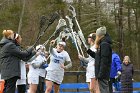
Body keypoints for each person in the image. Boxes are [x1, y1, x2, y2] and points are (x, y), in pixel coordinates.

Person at [95, 26, 112, 93]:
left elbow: (104, 60)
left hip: (103, 74)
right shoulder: (102, 44)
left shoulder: (104, 44)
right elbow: (98, 57)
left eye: (97, 35)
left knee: (104, 90)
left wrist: (100, 74)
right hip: (102, 72)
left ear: (100, 36)